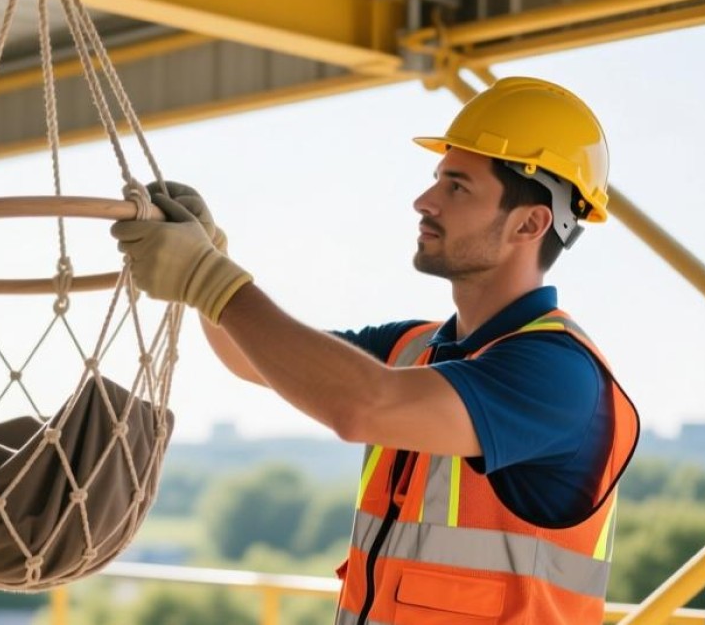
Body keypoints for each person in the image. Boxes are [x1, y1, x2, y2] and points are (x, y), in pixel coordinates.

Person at [111, 76, 639, 624]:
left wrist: (208, 277)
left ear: (530, 222)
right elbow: (255, 358)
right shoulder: (415, 348)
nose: (424, 200)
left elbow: (362, 407)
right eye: (437, 179)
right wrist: (211, 259)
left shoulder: (559, 374)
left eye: (457, 187)